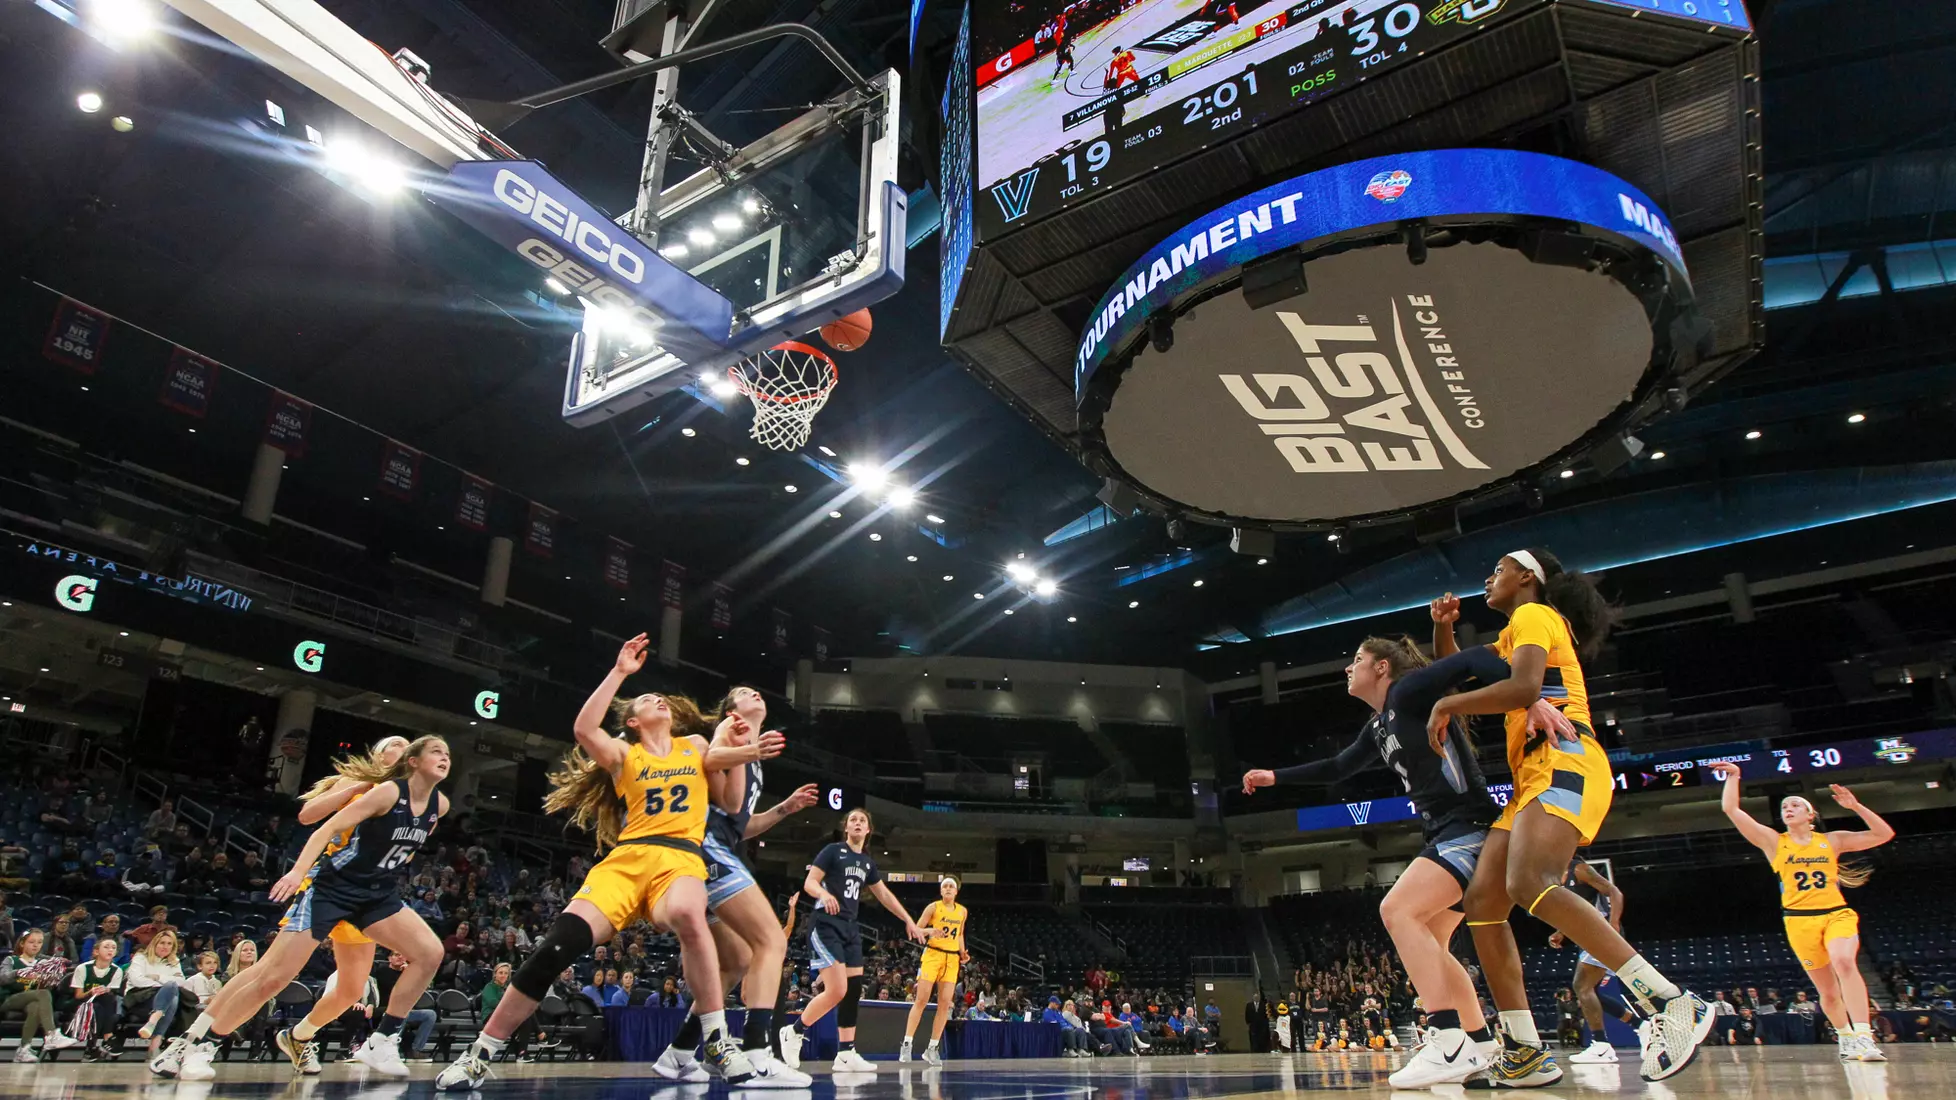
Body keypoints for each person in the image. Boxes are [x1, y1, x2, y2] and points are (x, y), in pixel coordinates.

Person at [438, 635, 776, 1090]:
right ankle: (481, 1054)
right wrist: (619, 673)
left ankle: (716, 1039)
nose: (660, 699)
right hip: (628, 860)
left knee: (687, 915)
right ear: (634, 721)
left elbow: (733, 801)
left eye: (661, 697)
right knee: (555, 948)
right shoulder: (624, 755)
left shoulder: (695, 744)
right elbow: (584, 730)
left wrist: (746, 751)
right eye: (648, 699)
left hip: (680, 858)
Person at [1431, 549, 1714, 1083]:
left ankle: (1671, 1002)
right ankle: (1523, 1049)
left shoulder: (1534, 615)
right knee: (1483, 902)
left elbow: (1522, 690)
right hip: (1530, 777)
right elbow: (1462, 676)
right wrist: (1445, 634)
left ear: (1526, 578)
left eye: (1497, 569)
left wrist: (1446, 709)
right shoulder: (1515, 631)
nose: (1488, 578)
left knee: (1529, 882)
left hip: (1564, 759)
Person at [1244, 634, 1570, 1087]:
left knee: (1396, 910)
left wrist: (1529, 700)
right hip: (1445, 832)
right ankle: (1480, 1046)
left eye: (1356, 659)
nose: (1347, 668)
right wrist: (1275, 776)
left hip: (1470, 828)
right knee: (1433, 942)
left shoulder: (1410, 690)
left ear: (1381, 668)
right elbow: (1339, 767)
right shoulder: (1378, 725)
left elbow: (1476, 657)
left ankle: (1447, 1038)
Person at [161, 736, 451, 1082]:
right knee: (269, 974)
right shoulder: (367, 786)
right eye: (400, 743)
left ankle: (300, 1038)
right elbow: (308, 816)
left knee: (351, 990)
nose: (404, 747)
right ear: (387, 755)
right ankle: (193, 1040)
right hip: (330, 882)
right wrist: (348, 794)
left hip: (373, 892)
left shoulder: (429, 801)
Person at [650, 686, 816, 1086]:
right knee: (771, 941)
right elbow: (708, 757)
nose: (755, 693)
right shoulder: (731, 729)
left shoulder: (750, 753)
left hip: (715, 847)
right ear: (729, 709)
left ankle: (679, 1053)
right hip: (705, 848)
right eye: (744, 693)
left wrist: (784, 808)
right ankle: (758, 1052)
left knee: (739, 960)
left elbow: (740, 825)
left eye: (758, 691)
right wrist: (748, 751)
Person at [1710, 765, 1895, 1061]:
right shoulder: (1773, 842)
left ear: (1811, 815)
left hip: (1836, 913)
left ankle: (1865, 1037)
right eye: (1785, 806)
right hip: (1798, 921)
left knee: (1845, 961)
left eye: (1796, 804)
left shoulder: (1832, 841)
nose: (1788, 808)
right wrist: (1734, 776)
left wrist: (1855, 806)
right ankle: (1845, 1037)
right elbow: (1731, 809)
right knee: (1829, 991)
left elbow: (1884, 834)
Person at [780, 807, 925, 1072]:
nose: (857, 823)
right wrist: (823, 895)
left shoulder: (867, 862)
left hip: (849, 927)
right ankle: (794, 1031)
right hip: (825, 925)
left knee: (853, 990)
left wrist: (908, 919)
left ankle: (846, 1053)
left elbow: (884, 894)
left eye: (863, 820)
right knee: (837, 990)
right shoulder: (833, 851)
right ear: (846, 828)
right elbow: (810, 882)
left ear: (868, 830)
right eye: (853, 820)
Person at [1549, 859, 1640, 1064]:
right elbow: (1577, 910)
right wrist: (1561, 932)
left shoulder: (1579, 869)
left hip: (1601, 932)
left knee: (1581, 986)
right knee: (1592, 992)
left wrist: (1613, 923)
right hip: (1587, 935)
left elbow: (1614, 891)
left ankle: (1601, 1046)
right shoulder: (1555, 878)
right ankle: (1642, 1026)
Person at [899, 875, 970, 1065]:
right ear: (941, 890)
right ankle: (907, 1044)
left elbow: (960, 934)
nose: (947, 888)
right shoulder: (933, 907)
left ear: (956, 891)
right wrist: (930, 931)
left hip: (952, 959)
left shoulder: (962, 911)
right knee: (921, 1000)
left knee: (945, 1004)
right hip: (933, 955)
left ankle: (932, 1048)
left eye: (951, 886)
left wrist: (963, 953)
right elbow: (915, 930)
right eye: (944, 886)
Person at [3, 929, 84, 1062]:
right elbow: (2, 978)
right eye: (31, 942)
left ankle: (23, 1049)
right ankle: (52, 1034)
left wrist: (48, 980)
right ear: (22, 943)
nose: (36, 945)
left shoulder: (42, 963)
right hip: (10, 1000)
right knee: (43, 994)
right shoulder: (11, 959)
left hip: (32, 1000)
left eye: (39, 942)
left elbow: (50, 986)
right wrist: (19, 973)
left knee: (36, 1006)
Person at [124, 927, 189, 1065]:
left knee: (172, 993)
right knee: (171, 990)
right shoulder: (141, 957)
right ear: (155, 943)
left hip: (159, 1002)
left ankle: (153, 1022)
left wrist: (157, 976)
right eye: (162, 943)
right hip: (139, 999)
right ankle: (154, 1046)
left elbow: (182, 982)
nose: (165, 947)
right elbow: (137, 980)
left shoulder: (174, 961)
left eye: (169, 944)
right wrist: (163, 984)